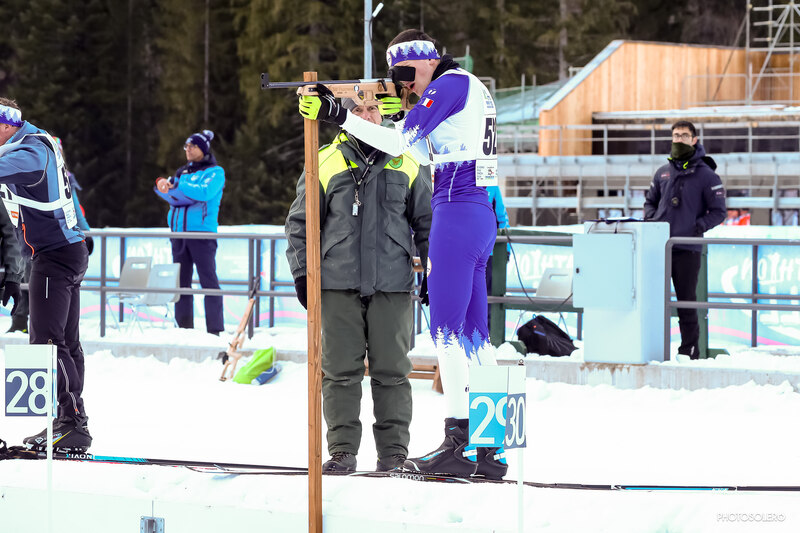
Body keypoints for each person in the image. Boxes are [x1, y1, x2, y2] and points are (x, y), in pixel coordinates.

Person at [299, 29, 508, 479]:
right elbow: (425, 147)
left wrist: (340, 114)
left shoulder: (450, 85)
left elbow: (398, 144)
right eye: (397, 77)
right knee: (476, 339)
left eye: (408, 73)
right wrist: (405, 112)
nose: (405, 83)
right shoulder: (468, 86)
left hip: (455, 208)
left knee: (446, 333)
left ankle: (459, 443)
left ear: (431, 60)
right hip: (476, 211)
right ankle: (493, 448)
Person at [286, 97, 432, 473]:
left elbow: (428, 222)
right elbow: (300, 224)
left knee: (393, 372)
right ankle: (342, 452)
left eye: (372, 109)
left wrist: (434, 272)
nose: (366, 115)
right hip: (337, 285)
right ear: (345, 117)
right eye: (357, 110)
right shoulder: (324, 160)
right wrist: (302, 274)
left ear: (382, 115)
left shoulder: (408, 159)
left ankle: (394, 454)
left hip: (392, 285)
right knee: (339, 372)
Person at [0, 97, 92, 451]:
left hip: (55, 257)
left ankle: (72, 422)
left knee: (47, 344)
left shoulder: (31, 151)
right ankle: (69, 420)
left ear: (6, 125)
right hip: (61, 252)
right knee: (64, 342)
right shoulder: (34, 142)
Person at [644, 120, 726, 359]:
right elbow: (649, 202)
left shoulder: (707, 175)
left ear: (694, 140)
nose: (679, 139)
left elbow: (719, 212)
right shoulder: (663, 172)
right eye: (676, 135)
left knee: (686, 302)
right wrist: (653, 221)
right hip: (658, 247)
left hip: (687, 248)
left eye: (684, 135)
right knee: (651, 299)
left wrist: (695, 227)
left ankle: (689, 350)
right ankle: (649, 347)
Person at [8, 136, 92, 334]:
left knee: (46, 285)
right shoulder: (33, 169)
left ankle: (40, 326)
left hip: (54, 241)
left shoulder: (62, 175)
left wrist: (86, 233)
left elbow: (74, 208)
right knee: (28, 278)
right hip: (36, 237)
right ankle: (22, 320)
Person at [154, 130, 225, 335]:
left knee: (208, 281)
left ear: (203, 149)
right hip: (178, 234)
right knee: (181, 284)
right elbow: (171, 189)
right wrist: (163, 184)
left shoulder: (215, 172)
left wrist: (178, 184)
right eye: (186, 146)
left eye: (192, 146)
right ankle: (184, 328)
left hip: (201, 234)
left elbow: (205, 192)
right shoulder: (181, 173)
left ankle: (215, 329)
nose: (188, 150)